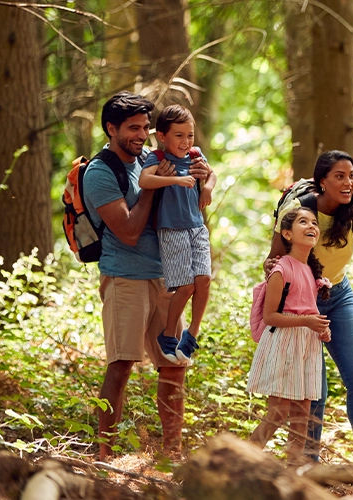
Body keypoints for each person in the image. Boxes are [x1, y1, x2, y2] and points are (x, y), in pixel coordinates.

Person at [82, 92, 210, 460]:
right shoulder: (101, 172)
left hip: (167, 276)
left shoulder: (151, 159)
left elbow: (184, 207)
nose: (141, 134)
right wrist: (158, 187)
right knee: (121, 364)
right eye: (133, 128)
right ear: (111, 129)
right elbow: (128, 231)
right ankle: (105, 455)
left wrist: (198, 180)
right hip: (126, 277)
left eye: (145, 127)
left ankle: (172, 453)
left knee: (174, 364)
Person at [264, 150, 353, 468]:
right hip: (303, 302)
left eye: (351, 175)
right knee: (314, 385)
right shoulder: (298, 212)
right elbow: (273, 261)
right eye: (340, 176)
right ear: (322, 181)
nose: (348, 182)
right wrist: (275, 273)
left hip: (340, 295)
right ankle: (310, 460)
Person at [248, 207, 332, 466]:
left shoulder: (311, 271)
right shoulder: (282, 269)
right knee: (277, 412)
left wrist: (320, 328)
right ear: (286, 233)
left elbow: (309, 309)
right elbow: (271, 316)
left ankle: (293, 476)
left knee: (301, 417)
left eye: (314, 222)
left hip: (307, 346)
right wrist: (306, 321)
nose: (311, 226)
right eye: (303, 222)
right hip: (284, 343)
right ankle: (240, 463)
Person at [138, 104, 217, 365]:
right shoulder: (157, 158)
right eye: (179, 135)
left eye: (190, 135)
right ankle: (169, 332)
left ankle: (192, 333)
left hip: (196, 227)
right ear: (162, 136)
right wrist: (173, 180)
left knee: (203, 279)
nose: (186, 142)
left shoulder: (195, 155)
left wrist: (207, 189)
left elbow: (212, 173)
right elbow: (144, 181)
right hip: (172, 229)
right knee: (186, 286)